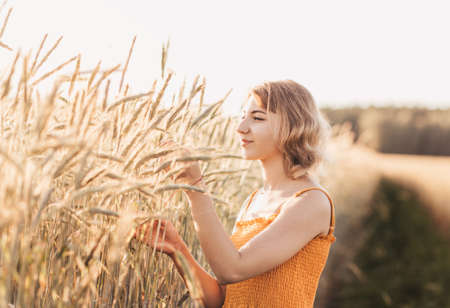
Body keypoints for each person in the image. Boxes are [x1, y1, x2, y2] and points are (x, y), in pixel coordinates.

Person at [134, 79, 336, 308]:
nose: (241, 127)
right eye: (243, 115)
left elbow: (232, 269)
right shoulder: (253, 201)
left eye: (258, 117)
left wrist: (196, 188)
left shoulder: (311, 201)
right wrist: (177, 250)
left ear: (294, 126)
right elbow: (220, 300)